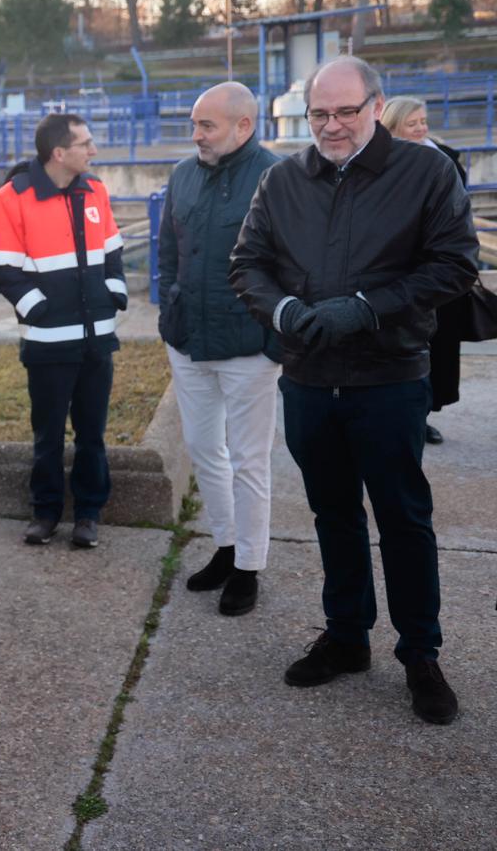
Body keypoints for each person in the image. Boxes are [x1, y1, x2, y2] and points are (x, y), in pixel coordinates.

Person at [229, 56, 478, 726]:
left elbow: (456, 264)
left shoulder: (425, 172)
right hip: (309, 381)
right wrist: (283, 314)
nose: (332, 126)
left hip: (389, 379)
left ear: (376, 105)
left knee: (403, 517)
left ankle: (421, 652)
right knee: (332, 513)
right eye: (319, 114)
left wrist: (367, 307)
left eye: (345, 111)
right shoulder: (283, 180)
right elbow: (247, 263)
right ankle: (346, 636)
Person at [157, 83, 283, 616]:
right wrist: (169, 308)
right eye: (194, 124)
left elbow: (295, 265)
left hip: (248, 346)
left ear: (244, 126)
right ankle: (226, 547)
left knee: (250, 460)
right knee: (206, 448)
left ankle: (249, 567)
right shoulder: (183, 175)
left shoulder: (277, 178)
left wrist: (277, 340)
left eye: (206, 125)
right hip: (189, 342)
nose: (196, 135)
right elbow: (168, 252)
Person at [0, 113, 127, 549]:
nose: (94, 150)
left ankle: (88, 514)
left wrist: (114, 294)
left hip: (96, 337)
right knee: (47, 435)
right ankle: (45, 512)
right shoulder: (11, 199)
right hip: (48, 342)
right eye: (85, 143)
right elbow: (3, 268)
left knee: (92, 434)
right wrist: (39, 310)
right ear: (59, 153)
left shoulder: (95, 191)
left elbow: (113, 252)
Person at [380, 96, 469, 446]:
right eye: (412, 123)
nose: (421, 128)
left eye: (423, 121)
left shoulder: (446, 159)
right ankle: (404, 415)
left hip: (438, 270)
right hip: (398, 269)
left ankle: (425, 414)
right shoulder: (381, 165)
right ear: (392, 127)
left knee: (439, 347)